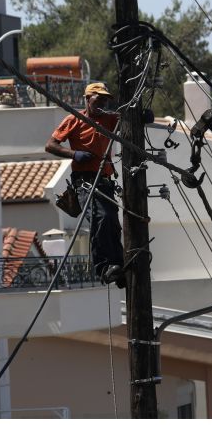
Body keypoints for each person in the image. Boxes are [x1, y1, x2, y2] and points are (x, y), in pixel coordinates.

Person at [45, 82, 125, 288]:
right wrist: (74, 154)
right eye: (98, 99)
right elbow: (50, 145)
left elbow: (129, 120)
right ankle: (104, 267)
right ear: (87, 99)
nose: (102, 103)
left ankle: (118, 265)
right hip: (85, 182)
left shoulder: (109, 119)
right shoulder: (74, 120)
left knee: (113, 223)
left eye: (105, 100)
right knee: (102, 218)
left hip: (105, 180)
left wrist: (145, 116)